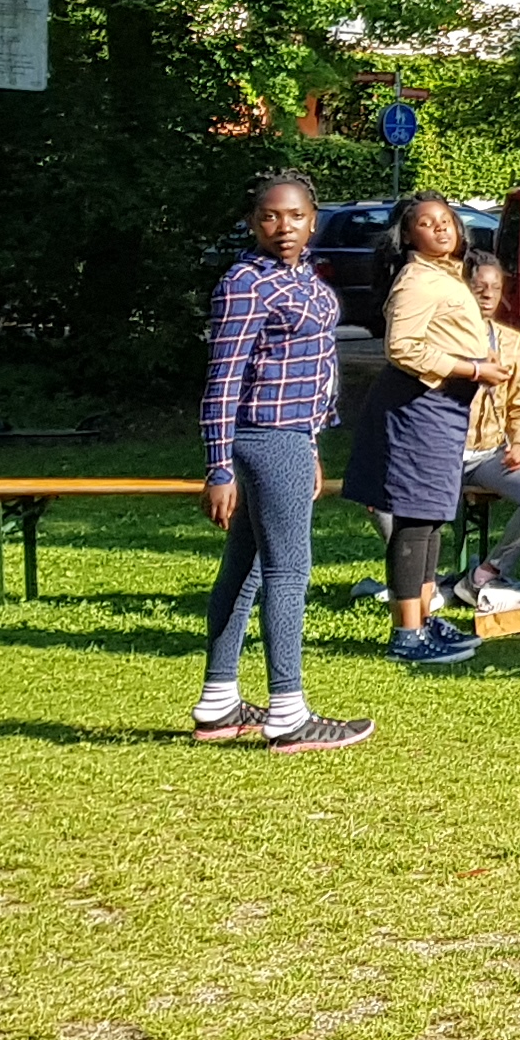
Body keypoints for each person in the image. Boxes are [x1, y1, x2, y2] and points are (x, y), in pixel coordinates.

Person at [194, 170, 363, 750]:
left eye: (294, 216)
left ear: (313, 220)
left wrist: (313, 446)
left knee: (245, 570)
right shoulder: (246, 282)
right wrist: (218, 467)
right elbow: (222, 381)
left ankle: (217, 703)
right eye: (269, 216)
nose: (282, 226)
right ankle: (289, 713)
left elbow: (313, 371)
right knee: (288, 573)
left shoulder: (306, 279)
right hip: (264, 437)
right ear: (252, 223)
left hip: (294, 439)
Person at [375, 193, 502, 660]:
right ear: (409, 235)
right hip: (418, 407)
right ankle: (406, 635)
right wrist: (471, 370)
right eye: (427, 224)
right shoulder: (416, 279)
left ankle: (425, 620)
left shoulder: (444, 274)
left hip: (443, 408)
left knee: (431, 519)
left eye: (447, 220)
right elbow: (401, 347)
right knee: (414, 518)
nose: (442, 229)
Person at [451, 249, 520, 605]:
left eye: (495, 288)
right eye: (477, 286)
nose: (486, 294)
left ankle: (488, 573)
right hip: (442, 452)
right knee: (385, 501)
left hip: (490, 453)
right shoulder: (442, 336)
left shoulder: (511, 341)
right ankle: (417, 582)